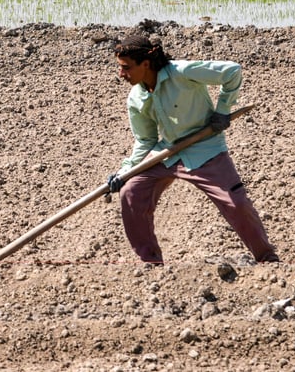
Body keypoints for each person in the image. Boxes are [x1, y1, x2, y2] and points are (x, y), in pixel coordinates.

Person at [107, 32, 278, 265]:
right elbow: (145, 140)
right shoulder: (136, 97)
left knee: (236, 203)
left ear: (145, 64)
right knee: (131, 193)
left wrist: (223, 110)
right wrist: (124, 171)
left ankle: (267, 258)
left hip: (204, 148)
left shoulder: (182, 72)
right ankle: (151, 263)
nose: (121, 74)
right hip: (167, 152)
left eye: (126, 67)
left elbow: (232, 71)